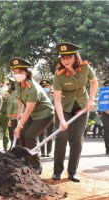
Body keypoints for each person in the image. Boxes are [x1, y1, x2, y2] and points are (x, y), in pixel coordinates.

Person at [52, 42, 98, 182]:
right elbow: (57, 100)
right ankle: (57, 171)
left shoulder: (85, 68)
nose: (65, 61)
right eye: (63, 58)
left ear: (75, 57)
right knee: (61, 137)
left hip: (82, 106)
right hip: (64, 108)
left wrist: (91, 100)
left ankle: (72, 172)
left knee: (77, 139)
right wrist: (61, 120)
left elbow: (94, 82)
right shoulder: (58, 76)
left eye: (69, 58)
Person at [10, 57, 54, 175]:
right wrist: (19, 112)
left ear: (26, 72)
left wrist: (19, 126)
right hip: (33, 112)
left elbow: (29, 109)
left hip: (45, 113)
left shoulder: (33, 87)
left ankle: (36, 165)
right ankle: (26, 162)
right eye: (15, 72)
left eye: (20, 72)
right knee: (22, 135)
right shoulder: (18, 83)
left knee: (29, 135)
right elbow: (19, 98)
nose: (17, 74)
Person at [38, 79, 54, 157]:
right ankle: (42, 152)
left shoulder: (53, 97)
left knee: (50, 135)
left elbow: (56, 108)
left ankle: (49, 151)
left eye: (47, 86)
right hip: (41, 118)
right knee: (41, 135)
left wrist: (54, 117)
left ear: (50, 87)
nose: (45, 88)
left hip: (51, 118)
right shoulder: (39, 97)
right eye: (43, 87)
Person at [7, 78, 19, 149]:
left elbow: (10, 109)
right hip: (23, 118)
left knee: (13, 135)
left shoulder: (12, 95)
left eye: (9, 84)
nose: (9, 86)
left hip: (14, 118)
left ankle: (13, 149)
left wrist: (9, 119)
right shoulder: (21, 92)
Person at [101, 80, 109, 155]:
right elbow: (103, 106)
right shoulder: (103, 94)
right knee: (107, 132)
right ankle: (108, 149)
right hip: (106, 115)